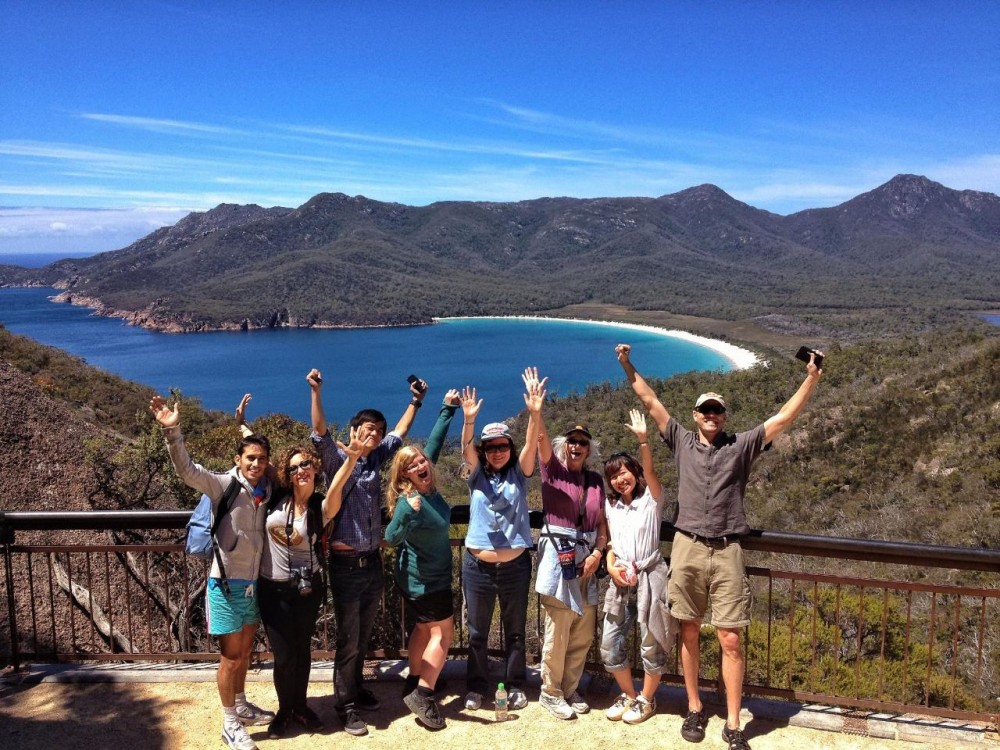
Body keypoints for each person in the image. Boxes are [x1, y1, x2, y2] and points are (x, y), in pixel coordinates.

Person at [617, 343, 823, 750]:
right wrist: (626, 364)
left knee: (730, 638)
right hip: (688, 546)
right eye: (704, 410)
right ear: (695, 416)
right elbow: (649, 398)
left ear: (724, 417)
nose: (710, 416)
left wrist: (811, 378)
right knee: (688, 632)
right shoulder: (679, 440)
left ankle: (732, 723)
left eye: (717, 411)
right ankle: (694, 707)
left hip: (728, 550)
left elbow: (784, 418)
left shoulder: (741, 446)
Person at [150, 394, 276, 750]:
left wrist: (243, 424)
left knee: (246, 651)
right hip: (224, 585)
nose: (256, 463)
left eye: (261, 459)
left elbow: (258, 448)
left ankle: (240, 704)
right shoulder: (224, 485)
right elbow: (188, 471)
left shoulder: (264, 491)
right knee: (231, 656)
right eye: (250, 458)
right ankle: (230, 724)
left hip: (251, 585)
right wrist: (173, 432)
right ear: (237, 460)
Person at [307, 368, 427, 737]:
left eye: (377, 429)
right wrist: (316, 392)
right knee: (347, 638)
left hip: (372, 563)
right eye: (367, 429)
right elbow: (320, 432)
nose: (374, 434)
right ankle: (345, 706)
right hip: (345, 565)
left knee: (363, 635)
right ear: (355, 430)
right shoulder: (335, 459)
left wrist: (416, 401)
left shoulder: (375, 459)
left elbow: (400, 432)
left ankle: (356, 688)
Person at [259, 429, 364, 739]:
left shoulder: (320, 506)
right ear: (287, 475)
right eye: (293, 467)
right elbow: (256, 461)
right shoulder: (276, 497)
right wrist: (241, 425)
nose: (300, 470)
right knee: (283, 654)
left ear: (315, 468)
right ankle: (284, 709)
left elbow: (339, 487)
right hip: (272, 588)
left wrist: (353, 459)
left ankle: (300, 706)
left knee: (302, 650)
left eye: (305, 464)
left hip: (307, 589)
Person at [457, 374, 545, 712]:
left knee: (516, 631)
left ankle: (515, 684)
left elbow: (528, 447)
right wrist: (468, 421)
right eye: (491, 447)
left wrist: (535, 413)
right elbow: (466, 450)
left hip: (516, 567)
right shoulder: (477, 475)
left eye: (502, 446)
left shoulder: (518, 476)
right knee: (477, 632)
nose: (497, 452)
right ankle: (477, 687)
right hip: (477, 567)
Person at [531, 366, 610, 720]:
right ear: (565, 446)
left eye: (583, 443)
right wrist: (537, 411)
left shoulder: (595, 480)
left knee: (582, 631)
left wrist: (597, 553)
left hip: (587, 558)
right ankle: (550, 691)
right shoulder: (553, 471)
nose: (577, 446)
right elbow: (542, 443)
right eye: (572, 442)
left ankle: (569, 688)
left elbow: (603, 523)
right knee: (559, 628)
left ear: (589, 449)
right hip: (558, 554)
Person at [384, 389, 460, 729]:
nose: (420, 464)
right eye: (412, 465)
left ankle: (414, 679)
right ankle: (424, 694)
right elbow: (389, 538)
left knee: (423, 628)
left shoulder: (425, 481)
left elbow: (434, 444)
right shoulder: (409, 501)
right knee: (442, 636)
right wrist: (405, 515)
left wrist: (447, 409)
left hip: (419, 578)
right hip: (425, 580)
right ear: (404, 477)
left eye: (421, 461)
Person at [600, 409, 675, 725]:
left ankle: (646, 699)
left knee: (651, 639)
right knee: (609, 641)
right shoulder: (611, 505)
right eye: (614, 476)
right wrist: (610, 563)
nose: (620, 479)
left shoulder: (652, 500)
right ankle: (629, 695)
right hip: (620, 579)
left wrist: (643, 441)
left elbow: (651, 469)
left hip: (651, 576)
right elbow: (612, 542)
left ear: (635, 472)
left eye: (625, 472)